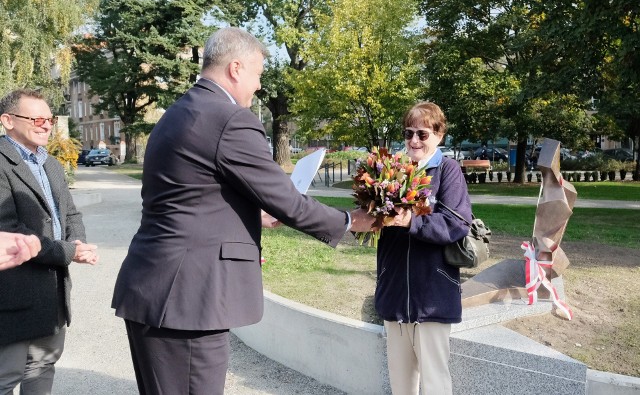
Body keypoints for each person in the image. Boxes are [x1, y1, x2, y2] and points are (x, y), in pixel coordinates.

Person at [111, 27, 371, 395]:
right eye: (258, 74)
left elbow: (191, 196)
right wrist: (351, 221)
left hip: (157, 289)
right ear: (236, 68)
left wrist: (253, 215)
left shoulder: (179, 112)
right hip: (188, 300)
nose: (259, 86)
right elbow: (288, 200)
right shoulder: (230, 118)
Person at [359, 102, 472, 394]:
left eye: (422, 134)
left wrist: (412, 221)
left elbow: (456, 224)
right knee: (401, 384)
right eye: (408, 133)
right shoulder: (392, 170)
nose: (414, 141)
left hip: (432, 295)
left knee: (435, 383)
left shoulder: (447, 170)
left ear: (439, 135)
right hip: (395, 293)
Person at [0, 89, 99, 394]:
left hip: (51, 295)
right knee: (6, 376)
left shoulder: (51, 165)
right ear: (8, 121)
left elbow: (70, 214)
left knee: (43, 368)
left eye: (50, 119)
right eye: (37, 118)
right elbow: (12, 232)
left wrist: (78, 242)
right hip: (11, 296)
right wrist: (69, 252)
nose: (46, 125)